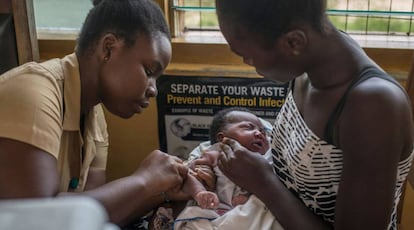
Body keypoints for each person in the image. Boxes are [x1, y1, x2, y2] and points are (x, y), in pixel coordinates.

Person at [214, 0, 414, 230]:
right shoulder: (307, 66)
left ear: (293, 42)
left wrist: (264, 182)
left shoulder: (372, 106)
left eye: (247, 55)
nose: (247, 63)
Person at [0, 0, 195, 227]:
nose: (153, 89)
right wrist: (144, 180)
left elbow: (96, 213)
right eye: (149, 71)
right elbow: (39, 220)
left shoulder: (95, 118)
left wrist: (163, 190)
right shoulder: (33, 93)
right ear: (109, 48)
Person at [152, 107, 282, 229]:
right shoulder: (216, 155)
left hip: (251, 214)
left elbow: (273, 184)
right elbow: (188, 176)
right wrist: (199, 192)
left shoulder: (268, 159)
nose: (259, 133)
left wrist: (250, 196)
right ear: (222, 138)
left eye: (263, 132)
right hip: (217, 210)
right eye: (248, 128)